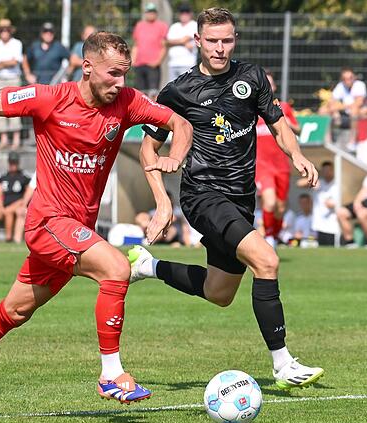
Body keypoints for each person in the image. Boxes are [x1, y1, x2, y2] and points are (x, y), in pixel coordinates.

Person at [0, 31, 193, 417]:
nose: (121, 83)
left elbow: (180, 124)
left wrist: (175, 158)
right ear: (86, 67)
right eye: (113, 74)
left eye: (125, 74)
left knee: (14, 312)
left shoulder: (128, 102)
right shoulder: (49, 98)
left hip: (75, 231)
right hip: (48, 222)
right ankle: (111, 375)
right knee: (116, 268)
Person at [127, 8, 323, 390]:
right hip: (203, 195)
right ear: (197, 41)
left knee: (219, 293)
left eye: (227, 40)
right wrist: (163, 203)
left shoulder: (252, 77)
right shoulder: (177, 92)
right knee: (266, 261)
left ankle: (148, 267)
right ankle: (283, 364)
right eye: (212, 40)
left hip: (240, 199)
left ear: (235, 40)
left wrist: (297, 155)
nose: (220, 48)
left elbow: (279, 124)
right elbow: (148, 150)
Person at [255, 70, 300, 247]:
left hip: (281, 164)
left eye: (270, 83)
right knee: (270, 201)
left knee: (280, 208)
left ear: (273, 87)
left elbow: (298, 129)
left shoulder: (283, 107)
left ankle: (275, 234)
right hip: (262, 164)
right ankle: (269, 238)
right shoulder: (251, 109)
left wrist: (283, 122)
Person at [0, 19, 24, 149]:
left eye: (7, 29)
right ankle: (3, 140)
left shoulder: (17, 43)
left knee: (16, 107)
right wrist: (6, 63)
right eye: (2, 29)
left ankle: (16, 140)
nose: (4, 32)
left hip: (13, 79)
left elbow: (15, 62)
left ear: (10, 30)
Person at [0, 152, 30, 242]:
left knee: (9, 212)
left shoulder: (24, 177)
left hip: (17, 206)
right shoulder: (3, 177)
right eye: (11, 162)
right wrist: (0, 207)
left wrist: (14, 206)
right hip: (3, 206)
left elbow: (27, 195)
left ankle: (9, 238)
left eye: (14, 162)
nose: (13, 165)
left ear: (18, 163)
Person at [131, 3, 168, 94]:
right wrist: (132, 60)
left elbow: (164, 46)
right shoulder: (139, 25)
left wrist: (157, 62)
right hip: (139, 65)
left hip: (153, 65)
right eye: (148, 11)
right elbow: (136, 45)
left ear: (156, 13)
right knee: (141, 93)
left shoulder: (161, 26)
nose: (150, 13)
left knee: (153, 93)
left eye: (152, 11)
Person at [300, 161, 338, 246]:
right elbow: (299, 184)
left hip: (333, 224)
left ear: (333, 171)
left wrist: (332, 204)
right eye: (324, 171)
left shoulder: (337, 184)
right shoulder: (318, 182)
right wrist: (311, 179)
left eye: (328, 170)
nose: (326, 173)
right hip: (318, 224)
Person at [166, 3, 198, 82]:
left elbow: (184, 39)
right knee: (173, 89)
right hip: (173, 63)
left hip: (188, 63)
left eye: (186, 12)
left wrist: (175, 41)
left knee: (187, 88)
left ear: (190, 14)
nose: (184, 15)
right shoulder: (174, 26)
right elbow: (167, 42)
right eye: (182, 12)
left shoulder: (194, 25)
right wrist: (182, 42)